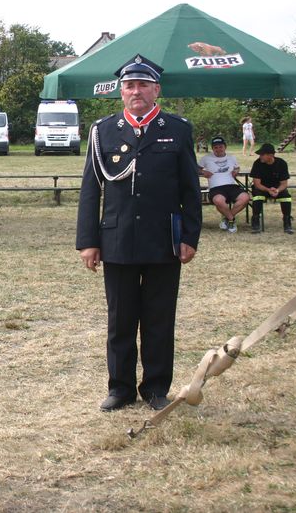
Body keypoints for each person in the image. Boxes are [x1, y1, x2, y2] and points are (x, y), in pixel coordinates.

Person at [76, 54, 202, 412]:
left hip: (164, 240)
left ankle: (156, 387)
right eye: (129, 85)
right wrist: (88, 241)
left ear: (155, 89)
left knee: (160, 318)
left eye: (143, 85)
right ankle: (120, 388)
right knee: (120, 320)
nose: (136, 91)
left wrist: (189, 237)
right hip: (117, 240)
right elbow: (90, 190)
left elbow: (190, 189)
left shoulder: (177, 129)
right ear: (121, 92)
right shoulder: (103, 131)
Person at [198, 136, 250, 233]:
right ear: (212, 148)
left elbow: (237, 167)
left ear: (225, 147)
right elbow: (196, 169)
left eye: (220, 147)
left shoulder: (231, 157)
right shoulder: (206, 158)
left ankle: (227, 218)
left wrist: (236, 171)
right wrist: (203, 172)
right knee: (218, 200)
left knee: (245, 197)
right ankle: (231, 220)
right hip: (216, 188)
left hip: (231, 185)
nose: (218, 149)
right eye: (215, 147)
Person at [249, 143, 293, 234]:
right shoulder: (257, 163)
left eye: (262, 154)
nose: (260, 156)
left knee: (286, 196)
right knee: (257, 196)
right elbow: (257, 184)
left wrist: (277, 190)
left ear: (271, 155)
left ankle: (287, 222)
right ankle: (255, 221)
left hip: (277, 188)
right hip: (262, 188)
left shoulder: (281, 163)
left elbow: (284, 184)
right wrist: (268, 190)